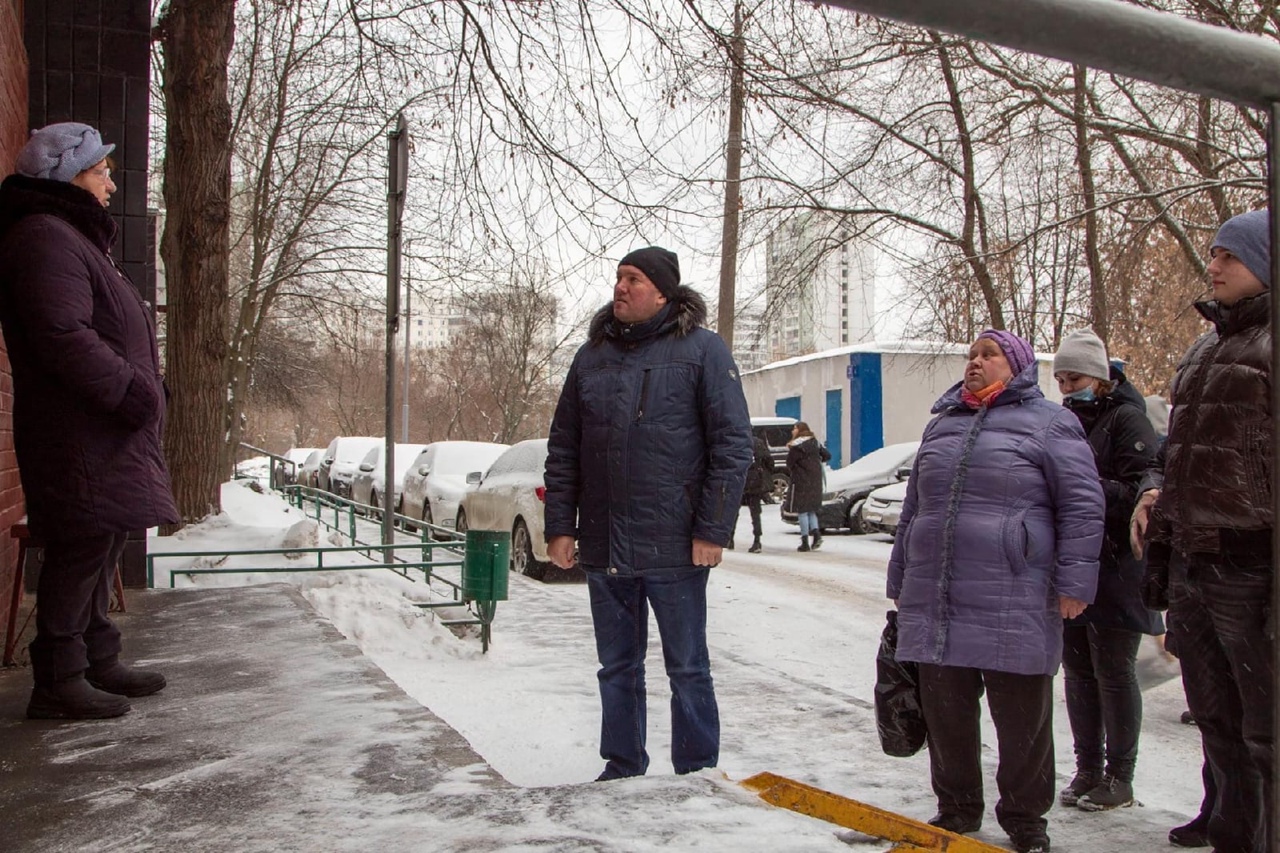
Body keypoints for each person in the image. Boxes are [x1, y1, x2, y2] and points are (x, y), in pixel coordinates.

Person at [887, 329, 1104, 853]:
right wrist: (900, 577)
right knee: (946, 710)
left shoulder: (1051, 423)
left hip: (1015, 594)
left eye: (989, 355)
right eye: (971, 355)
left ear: (1019, 366)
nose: (976, 363)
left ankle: (1026, 821)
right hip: (937, 595)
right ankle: (957, 807)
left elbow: (1082, 504)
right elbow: (914, 509)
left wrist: (1075, 582)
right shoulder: (942, 426)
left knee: (1021, 719)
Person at [544, 246, 752, 780]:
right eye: (617, 277)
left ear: (662, 291)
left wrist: (713, 529)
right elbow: (564, 447)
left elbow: (732, 445)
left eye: (632, 279)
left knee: (686, 667)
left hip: (675, 544)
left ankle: (698, 768)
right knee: (616, 667)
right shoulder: (591, 357)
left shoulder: (703, 350)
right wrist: (560, 527)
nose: (619, 287)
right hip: (605, 543)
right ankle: (622, 762)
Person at [0, 123, 178, 719]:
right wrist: (132, 390)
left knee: (104, 538)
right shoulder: (45, 237)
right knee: (81, 544)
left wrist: (148, 387)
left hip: (99, 426)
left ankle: (97, 659)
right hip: (78, 428)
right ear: (69, 176)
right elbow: (61, 335)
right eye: (100, 170)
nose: (110, 181)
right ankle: (57, 677)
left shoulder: (70, 237)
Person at [1131, 208, 1274, 853]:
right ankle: (1229, 824)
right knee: (1213, 713)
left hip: (1250, 567)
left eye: (1228, 257)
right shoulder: (1202, 348)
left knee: (1263, 726)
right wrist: (1155, 492)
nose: (1211, 266)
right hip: (1193, 559)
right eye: (1212, 254)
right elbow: (1176, 448)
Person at [1050, 329, 1164, 813]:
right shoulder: (1066, 419)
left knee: (1113, 672)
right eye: (1058, 378)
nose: (1064, 386)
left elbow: (1141, 489)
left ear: (1097, 377)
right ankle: (1087, 770)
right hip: (1075, 563)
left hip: (1116, 566)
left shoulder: (1127, 419)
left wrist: (1082, 487)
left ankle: (1121, 775)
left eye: (1072, 377)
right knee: (1077, 673)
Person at [784, 421, 830, 552]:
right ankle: (816, 535)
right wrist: (814, 463)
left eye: (794, 428)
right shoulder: (815, 443)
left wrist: (800, 468)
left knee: (802, 511)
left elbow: (790, 463)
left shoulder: (797, 446)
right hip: (815, 481)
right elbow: (827, 455)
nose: (793, 431)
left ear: (799, 430)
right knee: (811, 510)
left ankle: (804, 541)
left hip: (801, 481)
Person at [736, 433, 774, 553]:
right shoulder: (758, 442)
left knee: (733, 511)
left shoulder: (738, 441)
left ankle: (729, 538)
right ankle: (757, 539)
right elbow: (769, 461)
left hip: (740, 481)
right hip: (755, 482)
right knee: (755, 513)